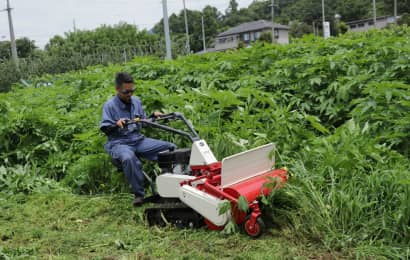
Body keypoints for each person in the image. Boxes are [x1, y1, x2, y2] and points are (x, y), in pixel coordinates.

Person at [100, 72, 175, 207]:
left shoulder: (136, 101)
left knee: (170, 148)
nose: (130, 94)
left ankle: (169, 184)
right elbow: (105, 129)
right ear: (117, 89)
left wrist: (153, 116)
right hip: (119, 143)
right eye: (126, 91)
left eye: (132, 90)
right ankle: (139, 195)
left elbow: (142, 120)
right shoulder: (109, 106)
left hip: (138, 140)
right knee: (128, 158)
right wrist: (116, 125)